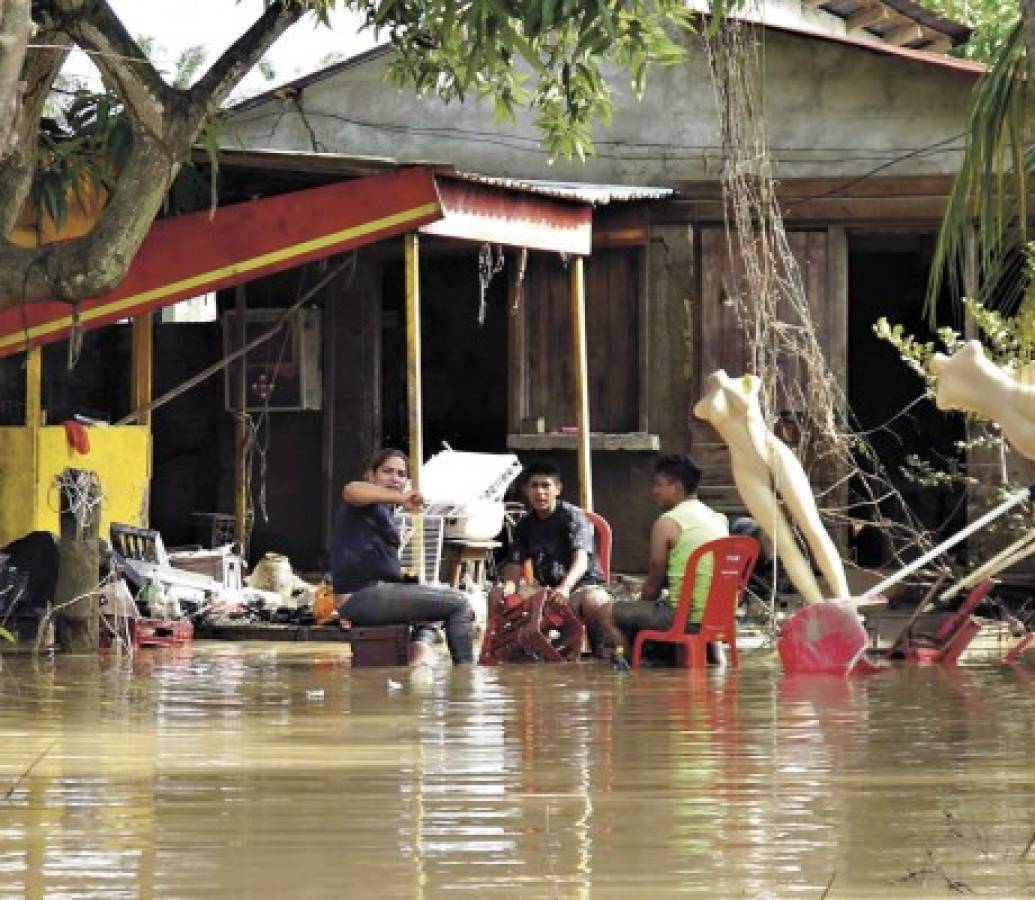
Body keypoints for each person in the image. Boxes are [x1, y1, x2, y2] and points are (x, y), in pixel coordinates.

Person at [331, 448, 474, 665]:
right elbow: (351, 490)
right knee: (459, 603)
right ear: (371, 475)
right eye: (387, 471)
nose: (394, 478)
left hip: (377, 592)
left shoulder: (384, 511)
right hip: (362, 595)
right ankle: (466, 677)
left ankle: (417, 659)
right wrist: (401, 497)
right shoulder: (360, 502)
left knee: (434, 606)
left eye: (400, 474)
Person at [589, 454, 729, 660]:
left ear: (676, 487)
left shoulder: (668, 522)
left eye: (658, 484)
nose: (653, 492)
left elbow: (653, 583)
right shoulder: (718, 518)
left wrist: (641, 604)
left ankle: (630, 670)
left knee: (604, 612)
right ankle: (718, 665)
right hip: (718, 615)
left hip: (684, 617)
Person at [498, 460, 611, 652]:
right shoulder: (524, 525)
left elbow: (581, 560)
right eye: (534, 486)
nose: (540, 492)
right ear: (526, 490)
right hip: (547, 593)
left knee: (595, 602)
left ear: (558, 489)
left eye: (546, 486)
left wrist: (565, 588)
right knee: (501, 600)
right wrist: (508, 588)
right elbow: (515, 563)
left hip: (581, 587)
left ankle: (603, 655)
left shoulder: (572, 517)